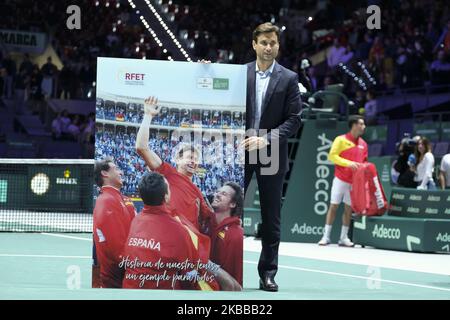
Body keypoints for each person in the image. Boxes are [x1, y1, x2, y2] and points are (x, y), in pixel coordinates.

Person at [241, 22, 302, 292]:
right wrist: (207, 69)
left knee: (271, 217)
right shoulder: (239, 74)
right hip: (239, 153)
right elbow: (215, 94)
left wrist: (265, 138)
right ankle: (218, 267)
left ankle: (268, 273)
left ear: (278, 46)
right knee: (226, 211)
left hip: (271, 154)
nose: (268, 47)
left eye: (273, 43)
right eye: (263, 42)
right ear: (254, 44)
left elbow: (294, 120)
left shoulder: (288, 78)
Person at [122, 172, 241, 291]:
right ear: (166, 197)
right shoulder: (177, 229)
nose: (218, 194)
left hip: (130, 289)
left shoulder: (136, 221)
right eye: (170, 188)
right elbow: (190, 274)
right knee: (230, 285)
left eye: (223, 193)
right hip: (160, 292)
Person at [135, 96, 213, 231]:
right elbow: (142, 147)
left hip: (189, 244)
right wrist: (148, 115)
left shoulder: (198, 194)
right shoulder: (167, 173)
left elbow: (209, 219)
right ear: (177, 159)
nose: (193, 161)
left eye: (196, 159)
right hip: (167, 237)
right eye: (190, 157)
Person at [318, 115, 368, 247]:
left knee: (348, 209)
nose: (364, 127)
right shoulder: (340, 140)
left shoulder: (364, 144)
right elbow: (332, 156)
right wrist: (348, 163)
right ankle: (326, 236)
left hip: (354, 183)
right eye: (361, 124)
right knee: (333, 206)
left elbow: (364, 162)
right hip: (340, 179)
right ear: (354, 125)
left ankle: (343, 238)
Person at [92, 158, 136, 288]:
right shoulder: (107, 201)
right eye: (116, 169)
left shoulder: (120, 198)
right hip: (117, 280)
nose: (121, 172)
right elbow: (116, 248)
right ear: (105, 174)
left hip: (125, 274)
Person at [209, 182, 244, 286]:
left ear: (232, 204)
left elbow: (232, 282)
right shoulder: (207, 224)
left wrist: (205, 263)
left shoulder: (235, 236)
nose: (217, 195)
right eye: (217, 192)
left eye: (224, 194)